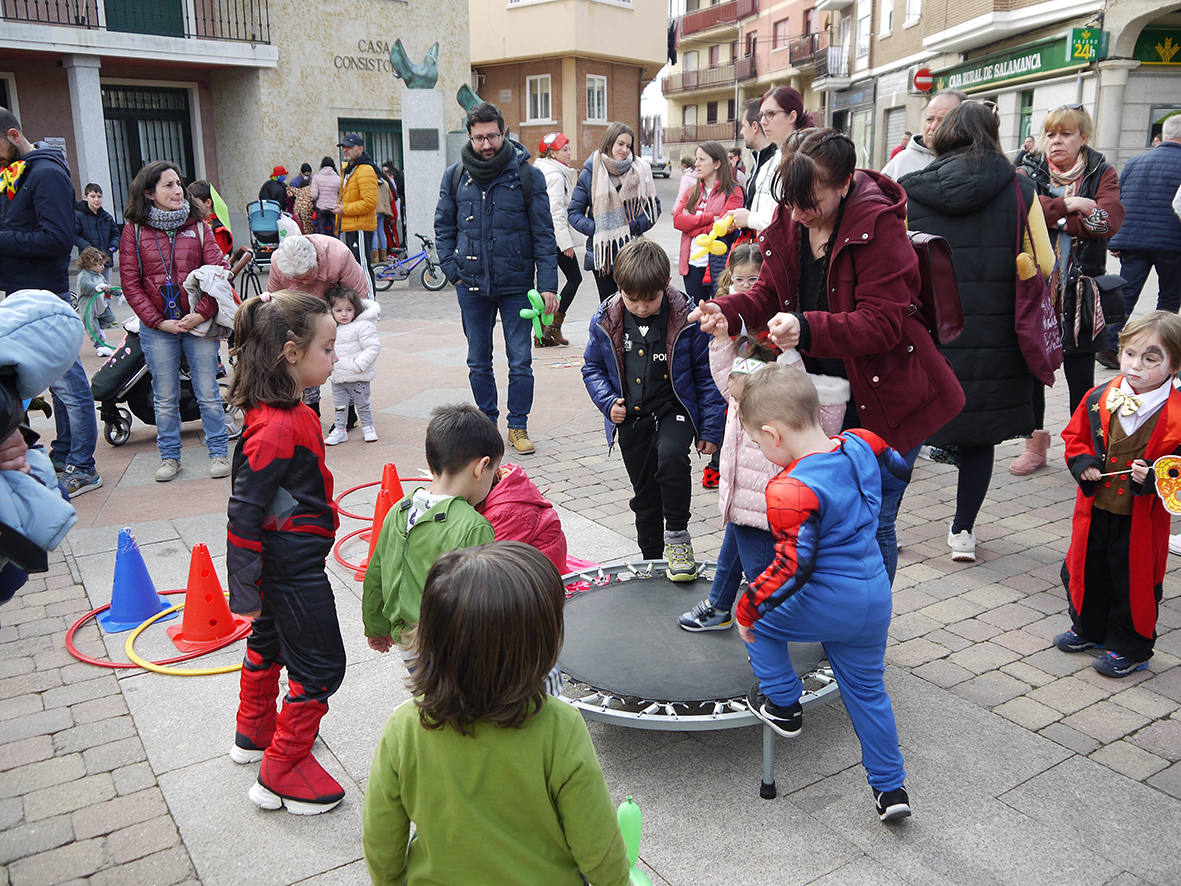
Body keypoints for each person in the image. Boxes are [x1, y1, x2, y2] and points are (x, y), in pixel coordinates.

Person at [691, 129, 965, 581]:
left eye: (809, 202)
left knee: (870, 524)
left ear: (843, 184)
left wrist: (806, 326)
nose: (798, 214)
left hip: (883, 397)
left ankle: (859, 639)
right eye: (791, 201)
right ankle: (827, 618)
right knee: (819, 517)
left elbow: (883, 322)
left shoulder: (878, 225)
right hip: (822, 398)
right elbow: (765, 294)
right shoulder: (790, 215)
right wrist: (726, 311)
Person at [362, 542, 630, 886]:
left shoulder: (404, 726)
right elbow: (598, 845)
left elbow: (381, 834)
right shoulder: (559, 727)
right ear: (536, 647)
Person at [736, 363, 912, 823]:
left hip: (828, 600)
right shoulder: (860, 443)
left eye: (756, 442)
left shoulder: (789, 488)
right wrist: (872, 510)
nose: (759, 449)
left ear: (773, 435)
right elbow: (899, 470)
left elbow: (792, 568)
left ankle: (783, 703)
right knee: (869, 693)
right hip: (874, 596)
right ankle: (891, 791)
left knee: (756, 619)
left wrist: (749, 605)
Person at [902, 101, 1054, 562]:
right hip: (996, 333)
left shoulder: (911, 188)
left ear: (944, 134)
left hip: (930, 330)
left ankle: (882, 522)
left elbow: (897, 261)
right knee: (978, 434)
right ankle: (962, 532)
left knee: (907, 429)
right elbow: (1044, 262)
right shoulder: (1018, 188)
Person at [225, 289, 345, 815]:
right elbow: (243, 510)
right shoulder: (274, 427)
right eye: (328, 348)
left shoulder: (287, 411)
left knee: (270, 640)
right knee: (322, 667)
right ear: (292, 353)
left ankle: (255, 732)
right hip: (291, 567)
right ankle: (283, 769)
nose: (335, 357)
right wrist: (244, 588)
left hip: (289, 559)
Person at [582, 237, 725, 579]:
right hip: (631, 417)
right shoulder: (607, 318)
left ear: (666, 285)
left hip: (674, 410)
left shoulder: (686, 317)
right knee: (644, 491)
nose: (642, 308)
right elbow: (592, 368)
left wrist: (709, 430)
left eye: (650, 300)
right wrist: (607, 403)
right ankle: (650, 557)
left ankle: (677, 536)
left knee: (672, 458)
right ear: (619, 290)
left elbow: (706, 376)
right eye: (633, 300)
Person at [1056, 311, 1181, 677]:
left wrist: (1156, 477)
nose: (1136, 366)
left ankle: (1131, 646)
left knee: (1133, 580)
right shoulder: (1100, 395)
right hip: (1095, 508)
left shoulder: (1176, 412)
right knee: (1087, 567)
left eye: (1151, 358)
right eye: (1129, 354)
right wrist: (1083, 464)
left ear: (1174, 364)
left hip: (1141, 517)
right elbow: (1075, 437)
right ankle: (1089, 628)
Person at [434, 102, 559, 455]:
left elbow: (544, 234)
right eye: (479, 138)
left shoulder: (526, 175)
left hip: (516, 285)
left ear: (503, 134)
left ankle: (517, 425)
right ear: (469, 137)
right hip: (471, 285)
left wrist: (548, 284)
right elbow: (443, 226)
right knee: (478, 360)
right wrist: (452, 270)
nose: (486, 144)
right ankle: (487, 426)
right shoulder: (456, 175)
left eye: (492, 136)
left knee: (520, 360)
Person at [1012, 104, 1125, 474]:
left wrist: (1055, 216)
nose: (1056, 141)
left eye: (1065, 134)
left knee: (1080, 373)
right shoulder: (1029, 168)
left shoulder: (1101, 171)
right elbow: (1021, 212)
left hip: (1080, 289)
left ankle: (1082, 446)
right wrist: (1071, 205)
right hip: (1035, 286)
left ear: (1083, 138)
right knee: (1033, 368)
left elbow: (1106, 220)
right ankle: (1035, 445)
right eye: (1051, 134)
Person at [0, 106, 101, 497]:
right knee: (54, 381)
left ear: (12, 136)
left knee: (69, 382)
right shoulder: (17, 174)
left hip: (45, 293)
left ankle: (83, 465)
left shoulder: (45, 173)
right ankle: (63, 453)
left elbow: (57, 239)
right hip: (22, 291)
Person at [679, 245, 779, 629]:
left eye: (756, 282)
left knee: (758, 562)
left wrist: (727, 341)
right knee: (740, 531)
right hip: (743, 460)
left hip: (761, 461)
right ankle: (721, 604)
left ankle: (765, 628)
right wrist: (722, 341)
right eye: (741, 281)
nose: (748, 288)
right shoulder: (741, 332)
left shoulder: (771, 339)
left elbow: (742, 390)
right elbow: (730, 388)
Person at [362, 404, 498, 670]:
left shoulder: (398, 510)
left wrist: (376, 626)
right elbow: (482, 600)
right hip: (451, 649)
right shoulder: (473, 526)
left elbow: (375, 573)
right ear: (481, 468)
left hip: (407, 643)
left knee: (427, 698)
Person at [119, 160, 230, 482]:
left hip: (198, 326)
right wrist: (156, 321)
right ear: (149, 193)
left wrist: (202, 313)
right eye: (168, 185)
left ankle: (219, 451)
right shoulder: (134, 230)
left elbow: (218, 275)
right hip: (159, 329)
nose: (177, 190)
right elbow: (131, 282)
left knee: (208, 391)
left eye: (178, 183)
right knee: (164, 397)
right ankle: (169, 457)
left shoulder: (199, 227)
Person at [1106, 115, 1181, 348]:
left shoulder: (1136, 161)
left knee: (1126, 294)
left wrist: (1115, 239)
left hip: (1134, 240)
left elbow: (1119, 199)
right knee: (1169, 298)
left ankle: (1109, 344)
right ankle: (1161, 346)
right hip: (1172, 242)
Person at [567, 121, 661, 301]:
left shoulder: (640, 170)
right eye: (621, 144)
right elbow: (573, 212)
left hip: (633, 251)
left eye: (628, 145)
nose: (625, 149)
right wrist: (596, 229)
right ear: (609, 143)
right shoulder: (591, 172)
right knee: (609, 305)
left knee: (633, 301)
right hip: (603, 253)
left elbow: (654, 208)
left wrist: (632, 227)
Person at [673, 141, 745, 303]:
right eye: (696, 159)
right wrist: (709, 218)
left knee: (720, 312)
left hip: (719, 265)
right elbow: (677, 221)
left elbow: (724, 227)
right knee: (697, 315)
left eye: (702, 159)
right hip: (691, 264)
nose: (696, 164)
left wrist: (691, 226)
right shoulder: (691, 191)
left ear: (717, 163)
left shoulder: (733, 192)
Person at [477, 461, 569, 574]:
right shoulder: (493, 483)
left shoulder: (507, 513)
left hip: (538, 578)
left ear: (479, 470)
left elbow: (487, 566)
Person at [534, 131, 581, 346]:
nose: (569, 153)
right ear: (552, 153)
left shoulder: (545, 170)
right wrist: (565, 243)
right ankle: (550, 327)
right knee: (573, 279)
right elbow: (556, 211)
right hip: (553, 238)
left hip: (544, 237)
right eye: (565, 149)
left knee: (546, 285)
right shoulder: (555, 175)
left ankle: (543, 331)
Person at [324, 285, 380, 445]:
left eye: (349, 309)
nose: (344, 314)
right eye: (339, 310)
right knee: (340, 405)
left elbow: (373, 347)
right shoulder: (332, 328)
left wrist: (359, 365)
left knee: (363, 404)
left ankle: (368, 427)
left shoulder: (363, 326)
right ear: (332, 311)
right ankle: (340, 430)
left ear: (356, 309)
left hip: (358, 376)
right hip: (338, 376)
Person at [881, 90, 966, 180]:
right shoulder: (901, 162)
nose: (933, 127)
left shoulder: (975, 163)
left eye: (942, 120)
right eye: (929, 119)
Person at [334, 134, 378, 297]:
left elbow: (369, 203)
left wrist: (343, 209)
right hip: (350, 226)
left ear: (360, 148)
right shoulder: (350, 169)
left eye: (350, 147)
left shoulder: (365, 169)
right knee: (352, 268)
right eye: (344, 147)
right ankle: (358, 303)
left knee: (362, 267)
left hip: (360, 227)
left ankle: (371, 304)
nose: (345, 150)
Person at [729, 98, 780, 235]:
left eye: (744, 125)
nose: (741, 132)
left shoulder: (780, 162)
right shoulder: (758, 162)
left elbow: (782, 217)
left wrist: (749, 219)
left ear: (755, 127)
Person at [73, 182, 120, 282]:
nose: (96, 200)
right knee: (91, 291)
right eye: (93, 196)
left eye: (99, 196)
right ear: (86, 197)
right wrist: (88, 247)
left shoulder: (107, 217)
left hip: (105, 261)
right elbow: (74, 236)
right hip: (89, 262)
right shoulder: (79, 216)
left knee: (106, 290)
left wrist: (113, 247)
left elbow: (116, 234)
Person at [76, 247, 117, 349]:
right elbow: (85, 286)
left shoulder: (100, 276)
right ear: (91, 264)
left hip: (100, 304)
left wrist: (118, 292)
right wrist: (95, 287)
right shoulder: (84, 276)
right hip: (89, 305)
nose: (103, 267)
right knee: (91, 324)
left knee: (110, 318)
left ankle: (100, 329)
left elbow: (107, 286)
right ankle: (99, 345)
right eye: (100, 264)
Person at [185, 180, 233, 257]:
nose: (190, 206)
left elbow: (219, 260)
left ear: (208, 203)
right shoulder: (195, 224)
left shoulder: (218, 230)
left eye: (194, 202)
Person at [310, 157, 340, 236]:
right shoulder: (338, 178)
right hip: (334, 208)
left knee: (322, 234)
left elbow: (313, 196)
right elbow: (342, 195)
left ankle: (323, 247)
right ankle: (336, 247)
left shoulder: (316, 177)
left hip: (321, 208)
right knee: (335, 232)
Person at [373, 166, 393, 264]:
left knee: (374, 233)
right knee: (381, 231)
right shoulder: (385, 183)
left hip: (374, 210)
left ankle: (375, 257)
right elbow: (390, 198)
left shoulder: (371, 183)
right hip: (383, 211)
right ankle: (384, 256)